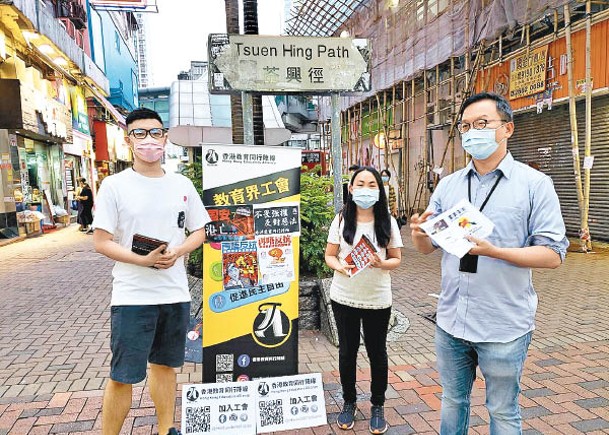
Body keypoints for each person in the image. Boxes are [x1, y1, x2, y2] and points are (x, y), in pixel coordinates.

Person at [410, 92, 568, 435]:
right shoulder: (449, 186)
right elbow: (425, 248)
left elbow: (553, 254)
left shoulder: (535, 185)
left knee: (503, 411)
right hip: (451, 321)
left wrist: (494, 251)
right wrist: (419, 233)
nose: (471, 132)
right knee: (453, 402)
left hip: (504, 325)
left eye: (482, 124)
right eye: (466, 126)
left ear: (507, 128)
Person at [92, 108, 209, 435]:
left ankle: (166, 428)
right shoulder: (114, 185)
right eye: (140, 134)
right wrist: (140, 260)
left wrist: (178, 251)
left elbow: (199, 231)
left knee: (166, 367)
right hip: (132, 297)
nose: (149, 140)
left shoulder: (181, 184)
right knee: (122, 374)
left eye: (155, 133)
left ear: (165, 138)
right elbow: (101, 242)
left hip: (174, 293)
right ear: (129, 140)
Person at [325, 166, 403, 434]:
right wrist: (340, 267)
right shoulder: (341, 220)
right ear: (350, 188)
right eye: (361, 184)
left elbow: (396, 260)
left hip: (377, 299)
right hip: (343, 296)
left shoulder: (388, 222)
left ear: (380, 190)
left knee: (377, 353)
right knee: (347, 352)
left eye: (372, 185)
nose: (366, 190)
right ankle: (349, 402)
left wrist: (382, 263)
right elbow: (330, 255)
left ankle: (377, 405)